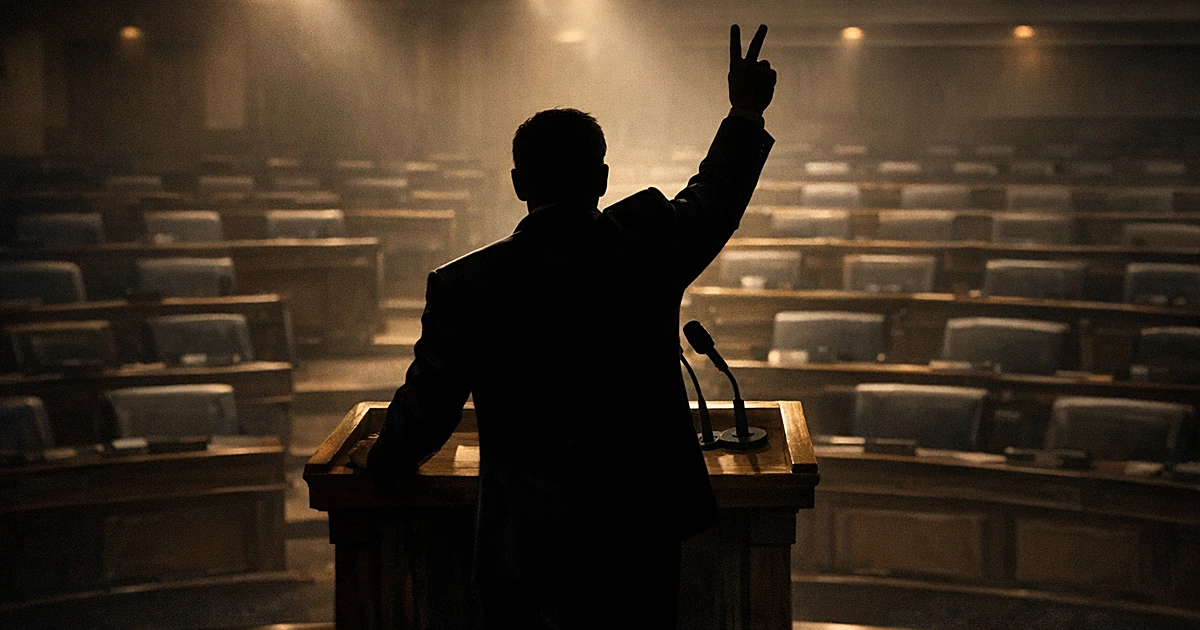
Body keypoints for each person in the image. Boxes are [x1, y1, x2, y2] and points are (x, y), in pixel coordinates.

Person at [366, 23, 776, 629]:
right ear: (603, 180)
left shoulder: (466, 283)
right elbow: (716, 194)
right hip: (638, 536)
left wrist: (378, 463)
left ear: (518, 184)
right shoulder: (646, 244)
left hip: (524, 545)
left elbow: (427, 411)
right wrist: (744, 110)